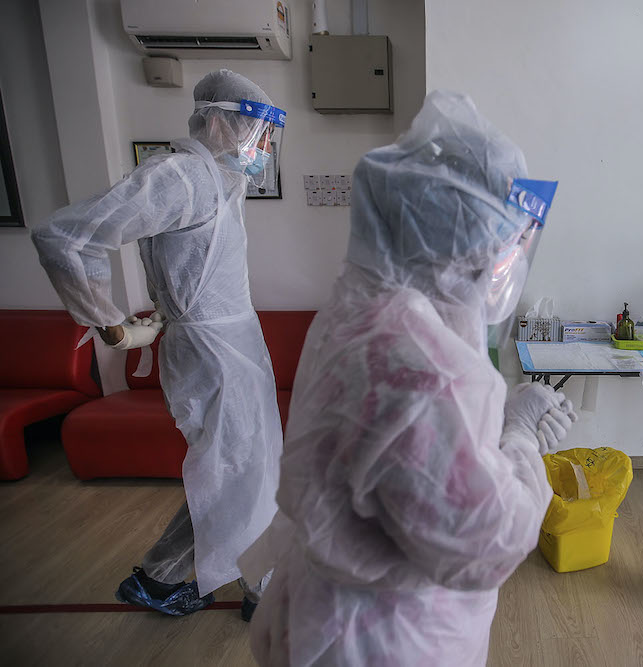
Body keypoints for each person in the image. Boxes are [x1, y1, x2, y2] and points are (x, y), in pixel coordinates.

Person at [239, 91, 577, 666]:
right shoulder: (416, 364)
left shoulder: (367, 310)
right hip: (386, 637)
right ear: (460, 239)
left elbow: (411, 472)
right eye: (506, 244)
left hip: (333, 612)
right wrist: (519, 443)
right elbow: (482, 542)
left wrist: (493, 444)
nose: (508, 263)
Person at [31, 69, 286, 620]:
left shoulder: (220, 180)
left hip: (234, 344)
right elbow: (66, 236)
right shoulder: (181, 177)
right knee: (239, 471)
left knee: (244, 470)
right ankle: (258, 589)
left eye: (268, 136)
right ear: (218, 121)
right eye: (256, 131)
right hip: (213, 352)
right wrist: (111, 324)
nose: (263, 147)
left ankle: (165, 576)